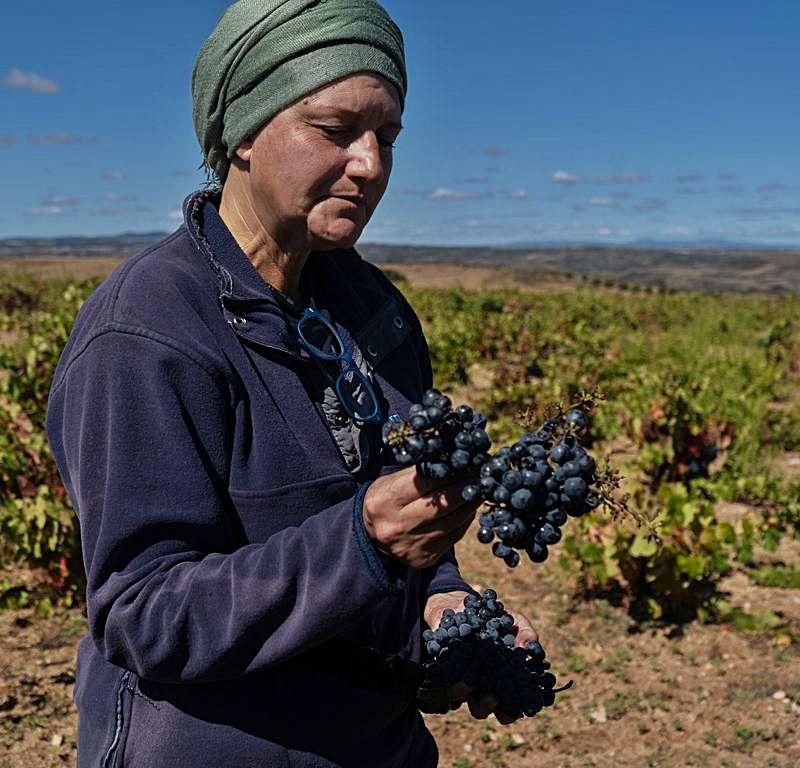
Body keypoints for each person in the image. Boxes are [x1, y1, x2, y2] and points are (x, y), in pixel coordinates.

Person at [46, 1, 537, 766]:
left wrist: (441, 592)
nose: (371, 164)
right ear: (243, 131)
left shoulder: (374, 309)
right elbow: (145, 616)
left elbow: (406, 506)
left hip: (376, 738)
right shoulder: (145, 335)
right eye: (336, 130)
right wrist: (363, 543)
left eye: (387, 136)